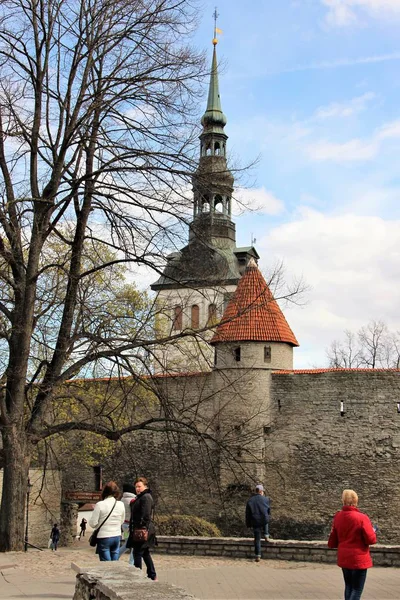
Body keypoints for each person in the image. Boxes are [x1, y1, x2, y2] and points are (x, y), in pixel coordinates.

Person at [328, 489, 377, 600]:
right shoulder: (362, 518)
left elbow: (332, 541)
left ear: (343, 501)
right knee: (357, 589)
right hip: (359, 558)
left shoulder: (338, 517)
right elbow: (371, 539)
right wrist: (373, 532)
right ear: (356, 501)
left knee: (349, 586)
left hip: (344, 558)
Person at [127, 476, 157, 580]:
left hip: (142, 530)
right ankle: (152, 575)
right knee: (144, 553)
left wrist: (141, 527)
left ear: (145, 486)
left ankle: (138, 575)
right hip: (140, 529)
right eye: (136, 487)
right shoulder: (140, 497)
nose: (137, 488)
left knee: (137, 553)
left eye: (139, 486)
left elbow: (146, 515)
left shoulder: (146, 497)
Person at [89, 480, 125, 561]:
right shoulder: (121, 504)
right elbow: (122, 521)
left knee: (106, 563)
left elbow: (93, 523)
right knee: (115, 561)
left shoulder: (100, 505)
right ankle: (115, 573)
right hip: (116, 535)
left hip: (104, 536)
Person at [245, 483, 271, 562]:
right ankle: (266, 534)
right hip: (263, 520)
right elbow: (268, 511)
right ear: (261, 491)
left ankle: (258, 555)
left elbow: (247, 514)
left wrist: (248, 524)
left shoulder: (250, 500)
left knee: (257, 539)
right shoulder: (266, 499)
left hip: (255, 520)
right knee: (266, 519)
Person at [119, 483, 137, 564]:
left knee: (127, 543)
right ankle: (131, 563)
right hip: (131, 525)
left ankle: (116, 556)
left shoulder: (122, 500)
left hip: (124, 525)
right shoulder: (133, 500)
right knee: (134, 545)